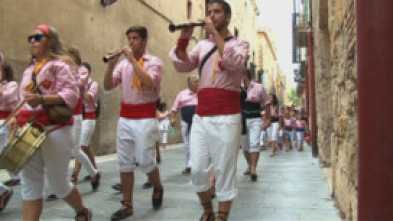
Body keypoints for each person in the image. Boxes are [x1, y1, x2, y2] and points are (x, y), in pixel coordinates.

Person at [169, 1, 249, 220]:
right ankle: (207, 211)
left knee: (224, 170)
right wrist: (184, 39)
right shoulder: (203, 46)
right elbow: (182, 65)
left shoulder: (240, 44)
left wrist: (213, 32)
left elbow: (232, 62)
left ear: (228, 17)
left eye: (216, 12)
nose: (211, 16)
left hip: (227, 115)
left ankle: (222, 216)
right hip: (202, 116)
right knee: (197, 169)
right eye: (209, 12)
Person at [7, 25, 91, 220]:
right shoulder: (29, 69)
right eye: (30, 38)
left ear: (50, 40)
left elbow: (71, 95)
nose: (33, 41)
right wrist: (13, 117)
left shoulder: (62, 65)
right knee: (30, 184)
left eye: (38, 37)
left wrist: (43, 99)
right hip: (28, 129)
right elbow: (23, 100)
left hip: (56, 129)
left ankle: (82, 212)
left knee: (59, 184)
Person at [104, 25, 164, 221]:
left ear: (144, 41)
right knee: (124, 162)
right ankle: (127, 204)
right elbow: (107, 86)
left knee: (146, 161)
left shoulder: (154, 62)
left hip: (145, 118)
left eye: (135, 38)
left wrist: (131, 59)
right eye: (129, 38)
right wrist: (111, 65)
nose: (131, 42)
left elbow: (148, 82)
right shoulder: (123, 66)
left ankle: (157, 185)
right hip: (126, 118)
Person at [69, 59, 100, 187]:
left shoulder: (94, 84)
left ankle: (75, 174)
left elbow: (87, 98)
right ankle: (94, 169)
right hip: (79, 117)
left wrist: (81, 86)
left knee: (81, 146)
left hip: (89, 117)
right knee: (85, 146)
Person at [240, 68, 269, 181]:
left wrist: (268, 118)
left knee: (254, 143)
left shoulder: (259, 87)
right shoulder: (238, 87)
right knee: (245, 145)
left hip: (255, 118)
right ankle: (249, 164)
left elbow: (266, 103)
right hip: (242, 119)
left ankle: (253, 169)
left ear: (245, 74)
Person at [170, 75, 198, 174]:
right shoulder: (182, 94)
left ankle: (197, 164)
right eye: (196, 81)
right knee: (187, 145)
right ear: (190, 84)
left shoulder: (202, 93)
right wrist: (172, 118)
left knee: (198, 144)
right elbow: (174, 108)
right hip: (186, 122)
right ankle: (189, 165)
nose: (198, 83)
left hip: (199, 123)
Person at [0, 60, 18, 212]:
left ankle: (16, 177)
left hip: (5, 121)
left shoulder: (12, 85)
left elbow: (5, 98)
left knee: (3, 153)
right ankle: (3, 190)